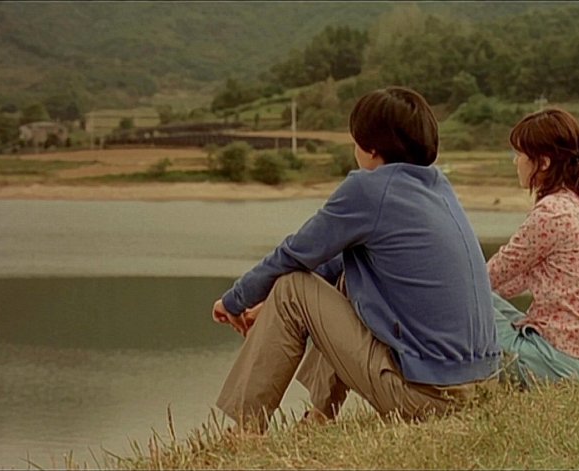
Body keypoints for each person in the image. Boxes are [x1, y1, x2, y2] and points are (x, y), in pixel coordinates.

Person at [211, 86, 501, 432]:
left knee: (291, 287)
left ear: (371, 147)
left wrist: (235, 300)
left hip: (428, 399)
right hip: (481, 390)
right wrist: (267, 304)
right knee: (346, 278)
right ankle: (320, 416)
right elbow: (334, 261)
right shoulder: (437, 187)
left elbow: (294, 254)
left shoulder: (369, 189)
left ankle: (245, 430)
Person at [488, 108, 579, 387]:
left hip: (553, 363)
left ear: (543, 162)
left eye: (519, 155)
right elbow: (520, 277)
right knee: (483, 301)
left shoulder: (551, 213)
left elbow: (494, 272)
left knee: (461, 306)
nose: (515, 162)